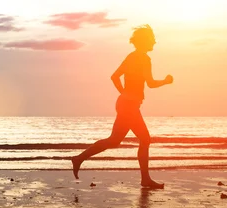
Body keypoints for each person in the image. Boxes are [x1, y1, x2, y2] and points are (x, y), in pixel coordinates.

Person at [72, 24, 172, 189]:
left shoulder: (131, 56)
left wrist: (124, 93)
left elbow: (114, 77)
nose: (154, 42)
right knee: (145, 139)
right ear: (144, 41)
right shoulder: (143, 58)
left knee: (114, 140)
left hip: (125, 103)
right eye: (152, 39)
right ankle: (145, 179)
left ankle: (79, 158)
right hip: (129, 105)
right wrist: (166, 81)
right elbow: (151, 84)